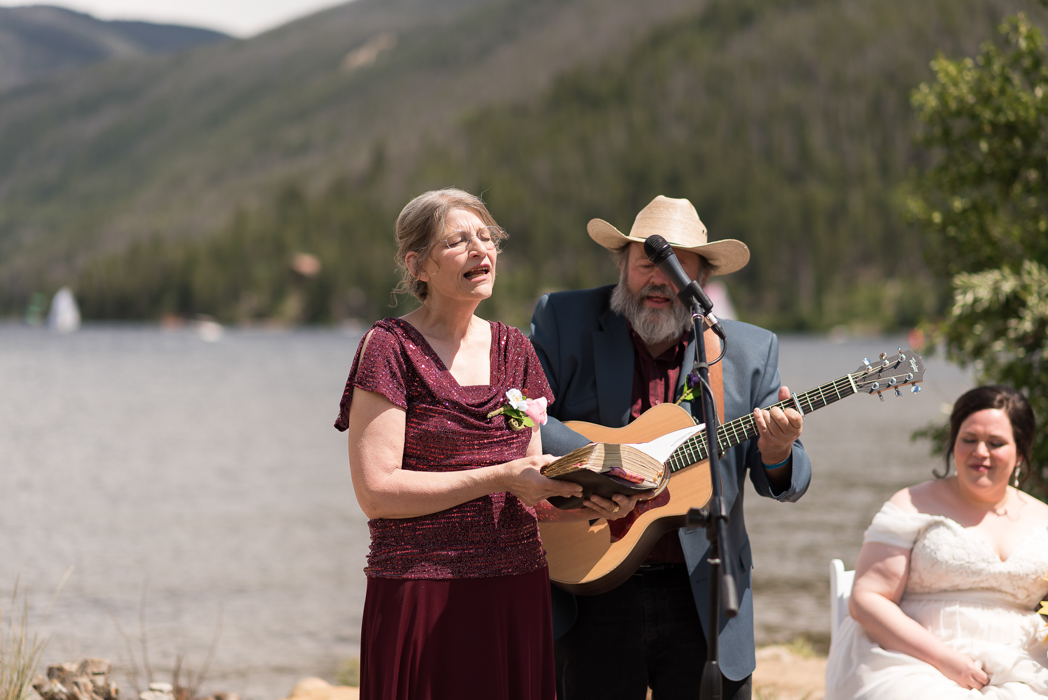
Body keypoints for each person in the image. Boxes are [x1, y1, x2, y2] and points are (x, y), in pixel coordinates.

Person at [334, 188, 639, 700]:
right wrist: (497, 478)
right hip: (419, 591)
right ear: (418, 265)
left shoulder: (515, 347)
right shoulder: (388, 348)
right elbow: (377, 493)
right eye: (458, 241)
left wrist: (600, 503)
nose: (481, 250)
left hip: (514, 592)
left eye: (487, 237)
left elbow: (531, 489)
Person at [530, 195, 812, 700]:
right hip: (593, 577)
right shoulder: (563, 319)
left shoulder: (747, 349)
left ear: (700, 280)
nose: (661, 279)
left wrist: (777, 451)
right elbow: (525, 415)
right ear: (623, 264)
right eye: (648, 263)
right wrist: (610, 467)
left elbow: (788, 480)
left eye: (679, 267)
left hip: (703, 591)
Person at [825, 384, 1048, 699]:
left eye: (995, 443)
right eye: (969, 439)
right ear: (953, 443)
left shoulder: (1043, 518)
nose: (980, 452)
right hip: (909, 660)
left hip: (1024, 664)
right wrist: (947, 661)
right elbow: (867, 599)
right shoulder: (911, 504)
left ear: (1020, 453)